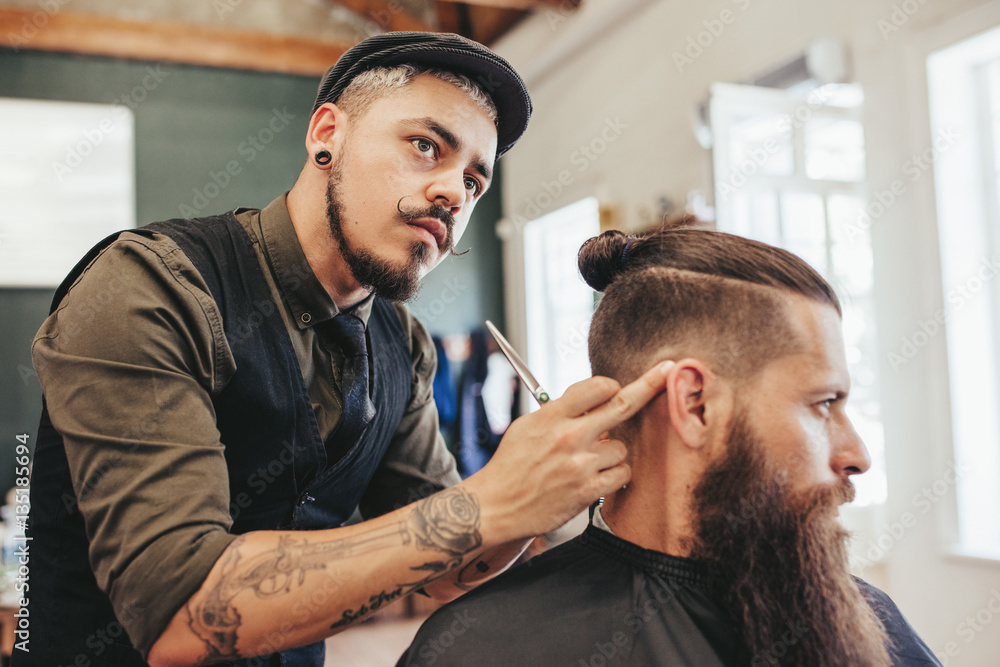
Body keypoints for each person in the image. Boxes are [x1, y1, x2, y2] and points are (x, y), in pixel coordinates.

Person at [20, 32, 669, 667]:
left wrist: (542, 493)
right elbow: (181, 610)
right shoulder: (151, 287)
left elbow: (451, 569)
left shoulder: (402, 346)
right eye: (424, 145)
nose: (453, 192)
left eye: (475, 180)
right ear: (326, 133)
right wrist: (492, 500)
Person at [397, 226, 943, 667]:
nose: (858, 455)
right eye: (824, 403)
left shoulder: (862, 619)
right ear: (695, 403)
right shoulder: (483, 649)